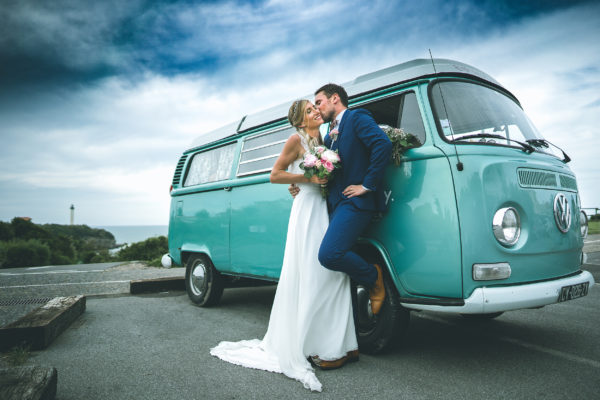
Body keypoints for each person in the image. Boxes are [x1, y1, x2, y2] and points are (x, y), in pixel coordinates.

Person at [210, 100, 358, 392]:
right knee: (313, 272)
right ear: (301, 121)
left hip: (323, 209)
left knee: (331, 273)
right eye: (310, 111)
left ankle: (341, 343)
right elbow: (275, 174)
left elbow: (324, 175)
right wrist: (306, 178)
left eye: (316, 109)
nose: (316, 111)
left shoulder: (323, 139)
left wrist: (321, 179)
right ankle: (313, 345)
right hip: (306, 211)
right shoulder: (296, 139)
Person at [291, 83, 392, 316]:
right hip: (335, 205)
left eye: (319, 102)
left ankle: (373, 276)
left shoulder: (356, 117)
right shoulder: (328, 135)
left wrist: (367, 185)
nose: (317, 108)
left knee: (329, 254)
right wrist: (299, 185)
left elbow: (382, 144)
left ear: (335, 98)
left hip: (356, 204)